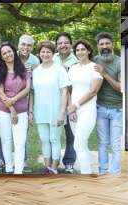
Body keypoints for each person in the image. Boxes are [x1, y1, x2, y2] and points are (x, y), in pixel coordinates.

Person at [0, 34, 39, 173]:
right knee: (6, 141)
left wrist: (14, 100)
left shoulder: (24, 69)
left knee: (20, 142)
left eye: (9, 51)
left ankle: (18, 171)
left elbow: (27, 89)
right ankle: (8, 169)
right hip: (2, 110)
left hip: (22, 111)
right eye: (4, 53)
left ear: (14, 52)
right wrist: (12, 108)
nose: (8, 54)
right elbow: (0, 91)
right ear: (1, 56)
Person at [30, 41, 69, 175]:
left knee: (54, 139)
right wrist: (31, 112)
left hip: (56, 111)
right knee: (44, 139)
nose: (45, 54)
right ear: (39, 53)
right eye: (43, 52)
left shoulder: (59, 69)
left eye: (48, 52)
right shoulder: (36, 71)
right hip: (40, 111)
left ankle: (54, 167)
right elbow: (33, 92)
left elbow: (65, 91)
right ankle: (46, 167)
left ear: (53, 54)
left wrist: (62, 112)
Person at [67, 40, 103, 174]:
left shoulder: (95, 68)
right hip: (73, 111)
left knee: (78, 144)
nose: (80, 52)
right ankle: (87, 172)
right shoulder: (73, 68)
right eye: (77, 50)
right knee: (82, 145)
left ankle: (85, 174)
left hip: (87, 110)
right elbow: (69, 89)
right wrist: (71, 108)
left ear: (89, 51)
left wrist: (75, 105)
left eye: (83, 49)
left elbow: (93, 91)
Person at [93, 32, 123, 175]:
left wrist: (104, 73)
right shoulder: (94, 61)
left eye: (107, 43)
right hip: (100, 108)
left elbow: (121, 88)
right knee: (103, 143)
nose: (104, 46)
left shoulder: (120, 62)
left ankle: (116, 174)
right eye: (101, 44)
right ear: (97, 47)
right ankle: (103, 172)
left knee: (116, 145)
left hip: (118, 110)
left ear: (113, 44)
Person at [52, 32, 78, 173]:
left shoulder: (76, 60)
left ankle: (69, 161)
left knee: (70, 134)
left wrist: (71, 107)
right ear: (56, 46)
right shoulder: (52, 58)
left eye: (66, 42)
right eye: (60, 43)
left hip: (71, 102)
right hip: (54, 101)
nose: (63, 45)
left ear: (71, 45)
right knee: (53, 134)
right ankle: (51, 160)